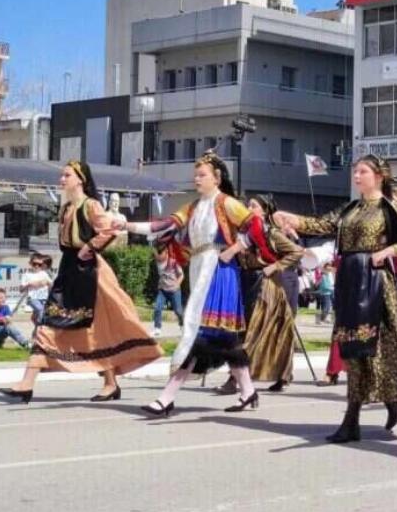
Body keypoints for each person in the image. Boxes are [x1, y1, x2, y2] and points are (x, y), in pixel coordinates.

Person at [273, 155, 397, 443]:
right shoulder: (351, 208)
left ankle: (385, 401)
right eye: (355, 172)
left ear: (378, 176)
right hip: (350, 279)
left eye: (362, 171)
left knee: (379, 347)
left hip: (376, 282)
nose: (356, 177)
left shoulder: (391, 207)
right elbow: (323, 225)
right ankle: (353, 419)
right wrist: (293, 218)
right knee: (352, 348)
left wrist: (389, 251)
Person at [0, 161, 163, 404]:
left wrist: (90, 247)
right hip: (69, 268)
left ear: (80, 179)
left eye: (67, 175)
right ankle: (27, 383)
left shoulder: (91, 205)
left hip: (90, 272)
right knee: (50, 321)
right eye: (62, 175)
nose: (62, 179)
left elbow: (108, 230)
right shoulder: (66, 208)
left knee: (94, 327)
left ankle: (109, 383)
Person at [121, 151, 260, 416]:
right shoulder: (194, 206)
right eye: (195, 175)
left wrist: (234, 249)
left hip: (219, 272)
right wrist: (125, 224)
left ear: (216, 178)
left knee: (197, 333)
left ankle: (166, 397)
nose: (196, 179)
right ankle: (248, 390)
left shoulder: (227, 203)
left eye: (202, 175)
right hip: (201, 269)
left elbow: (255, 226)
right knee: (226, 339)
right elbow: (164, 224)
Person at [217, 193, 304, 395]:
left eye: (254, 205)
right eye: (248, 205)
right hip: (246, 282)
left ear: (264, 211)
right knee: (242, 331)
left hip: (266, 286)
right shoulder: (243, 233)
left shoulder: (270, 234)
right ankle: (238, 377)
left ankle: (242, 378)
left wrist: (275, 266)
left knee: (259, 333)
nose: (249, 208)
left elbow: (296, 252)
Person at [152, 246, 184, 338]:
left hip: (174, 290)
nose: (158, 257)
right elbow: (153, 247)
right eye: (157, 255)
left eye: (160, 255)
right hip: (162, 290)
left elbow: (181, 275)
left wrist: (177, 284)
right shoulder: (157, 260)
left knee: (178, 311)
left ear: (166, 252)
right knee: (157, 307)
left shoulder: (173, 262)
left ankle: (182, 325)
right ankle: (157, 329)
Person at [20, 252, 53, 340]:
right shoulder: (26, 275)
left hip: (44, 298)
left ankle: (37, 335)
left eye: (39, 264)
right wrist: (30, 284)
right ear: (30, 263)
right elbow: (21, 289)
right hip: (32, 298)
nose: (37, 266)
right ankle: (39, 330)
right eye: (35, 264)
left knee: (38, 316)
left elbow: (51, 284)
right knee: (40, 310)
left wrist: (47, 283)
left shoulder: (44, 274)